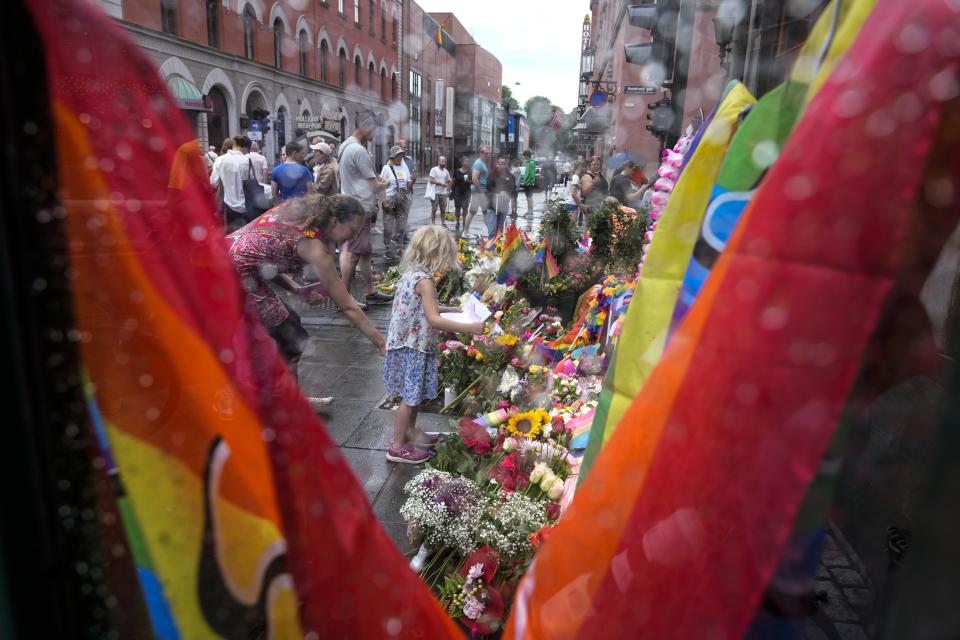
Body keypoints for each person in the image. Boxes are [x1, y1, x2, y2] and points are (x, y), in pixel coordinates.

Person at [226, 193, 387, 411]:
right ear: (334, 220)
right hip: (232, 274)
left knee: (289, 325)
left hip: (229, 258)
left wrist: (296, 289)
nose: (351, 238)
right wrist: (381, 343)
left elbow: (263, 258)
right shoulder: (314, 245)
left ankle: (287, 396)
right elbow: (347, 305)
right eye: (351, 230)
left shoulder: (301, 218)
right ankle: (286, 404)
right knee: (292, 336)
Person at [383, 225, 485, 463]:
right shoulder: (426, 281)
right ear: (437, 254)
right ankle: (397, 446)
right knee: (408, 400)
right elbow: (433, 319)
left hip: (405, 346)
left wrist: (456, 309)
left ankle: (410, 433)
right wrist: (470, 328)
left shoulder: (412, 275)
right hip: (414, 348)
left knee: (413, 397)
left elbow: (425, 309)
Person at [338, 111, 391, 307]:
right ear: (366, 126)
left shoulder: (345, 146)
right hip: (359, 209)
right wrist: (385, 183)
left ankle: (370, 292)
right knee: (353, 253)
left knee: (364, 252)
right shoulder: (359, 151)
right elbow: (373, 186)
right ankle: (344, 299)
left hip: (351, 205)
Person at [210, 135, 252, 231]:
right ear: (245, 147)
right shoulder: (247, 161)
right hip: (246, 206)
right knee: (245, 234)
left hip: (228, 206)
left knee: (230, 234)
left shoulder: (220, 160)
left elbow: (213, 182)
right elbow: (251, 183)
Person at [380, 145, 412, 260]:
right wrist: (384, 201)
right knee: (388, 225)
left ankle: (399, 247)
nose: (400, 157)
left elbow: (408, 183)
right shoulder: (386, 168)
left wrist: (411, 181)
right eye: (398, 155)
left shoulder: (404, 167)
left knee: (402, 225)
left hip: (402, 199)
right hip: (390, 199)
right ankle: (387, 248)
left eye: (401, 155)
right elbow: (381, 186)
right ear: (392, 157)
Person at [464, 144, 491, 238]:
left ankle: (491, 232)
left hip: (481, 190)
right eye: (486, 153)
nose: (487, 155)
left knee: (485, 212)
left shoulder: (483, 163)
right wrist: (481, 192)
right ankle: (466, 231)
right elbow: (475, 179)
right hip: (478, 191)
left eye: (488, 153)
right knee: (473, 211)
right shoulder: (478, 163)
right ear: (480, 153)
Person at [487, 156, 516, 237]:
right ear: (497, 164)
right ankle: (491, 247)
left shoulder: (510, 176)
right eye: (500, 164)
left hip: (503, 206)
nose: (502, 166)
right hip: (492, 206)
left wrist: (507, 194)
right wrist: (495, 194)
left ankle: (498, 247)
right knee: (492, 229)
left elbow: (513, 189)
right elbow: (488, 188)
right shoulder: (492, 175)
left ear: (506, 164)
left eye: (503, 164)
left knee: (500, 230)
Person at [580, 156, 609, 223]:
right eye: (594, 164)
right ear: (589, 165)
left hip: (601, 206)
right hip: (591, 207)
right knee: (591, 229)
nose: (596, 166)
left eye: (598, 164)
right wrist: (593, 183)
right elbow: (584, 192)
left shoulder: (599, 175)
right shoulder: (587, 176)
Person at [425, 155, 452, 227]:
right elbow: (431, 180)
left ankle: (443, 223)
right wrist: (440, 183)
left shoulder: (446, 171)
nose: (444, 163)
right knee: (434, 209)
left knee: (443, 210)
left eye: (445, 161)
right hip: (435, 193)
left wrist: (448, 190)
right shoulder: (434, 169)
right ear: (438, 161)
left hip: (443, 193)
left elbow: (449, 181)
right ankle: (433, 224)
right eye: (442, 161)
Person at [451, 156, 472, 236]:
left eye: (468, 161)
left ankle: (464, 223)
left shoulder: (470, 171)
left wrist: (468, 181)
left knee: (465, 209)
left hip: (467, 193)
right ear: (462, 163)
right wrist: (450, 191)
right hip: (457, 192)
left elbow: (473, 181)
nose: (467, 163)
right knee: (458, 208)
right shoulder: (457, 171)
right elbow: (453, 181)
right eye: (465, 161)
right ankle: (457, 222)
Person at [521, 149, 537, 219]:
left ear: (526, 156)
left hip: (529, 183)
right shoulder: (528, 162)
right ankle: (529, 211)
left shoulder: (531, 163)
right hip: (527, 183)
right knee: (528, 198)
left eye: (524, 156)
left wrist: (529, 182)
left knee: (530, 198)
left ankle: (531, 213)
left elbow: (532, 174)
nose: (523, 157)